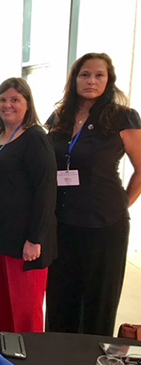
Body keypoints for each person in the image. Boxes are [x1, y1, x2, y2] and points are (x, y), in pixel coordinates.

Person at [46, 53, 141, 336]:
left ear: (109, 79)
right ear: (74, 79)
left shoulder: (122, 117)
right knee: (60, 301)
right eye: (85, 74)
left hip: (105, 225)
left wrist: (123, 203)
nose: (91, 81)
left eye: (99, 75)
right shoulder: (60, 117)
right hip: (62, 223)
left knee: (98, 303)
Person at [0, 78, 57, 333]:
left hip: (25, 242)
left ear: (27, 104)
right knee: (5, 307)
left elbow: (45, 191)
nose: (7, 105)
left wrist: (35, 239)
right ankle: (9, 356)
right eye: (3, 99)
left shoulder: (35, 137)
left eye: (15, 100)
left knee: (26, 314)